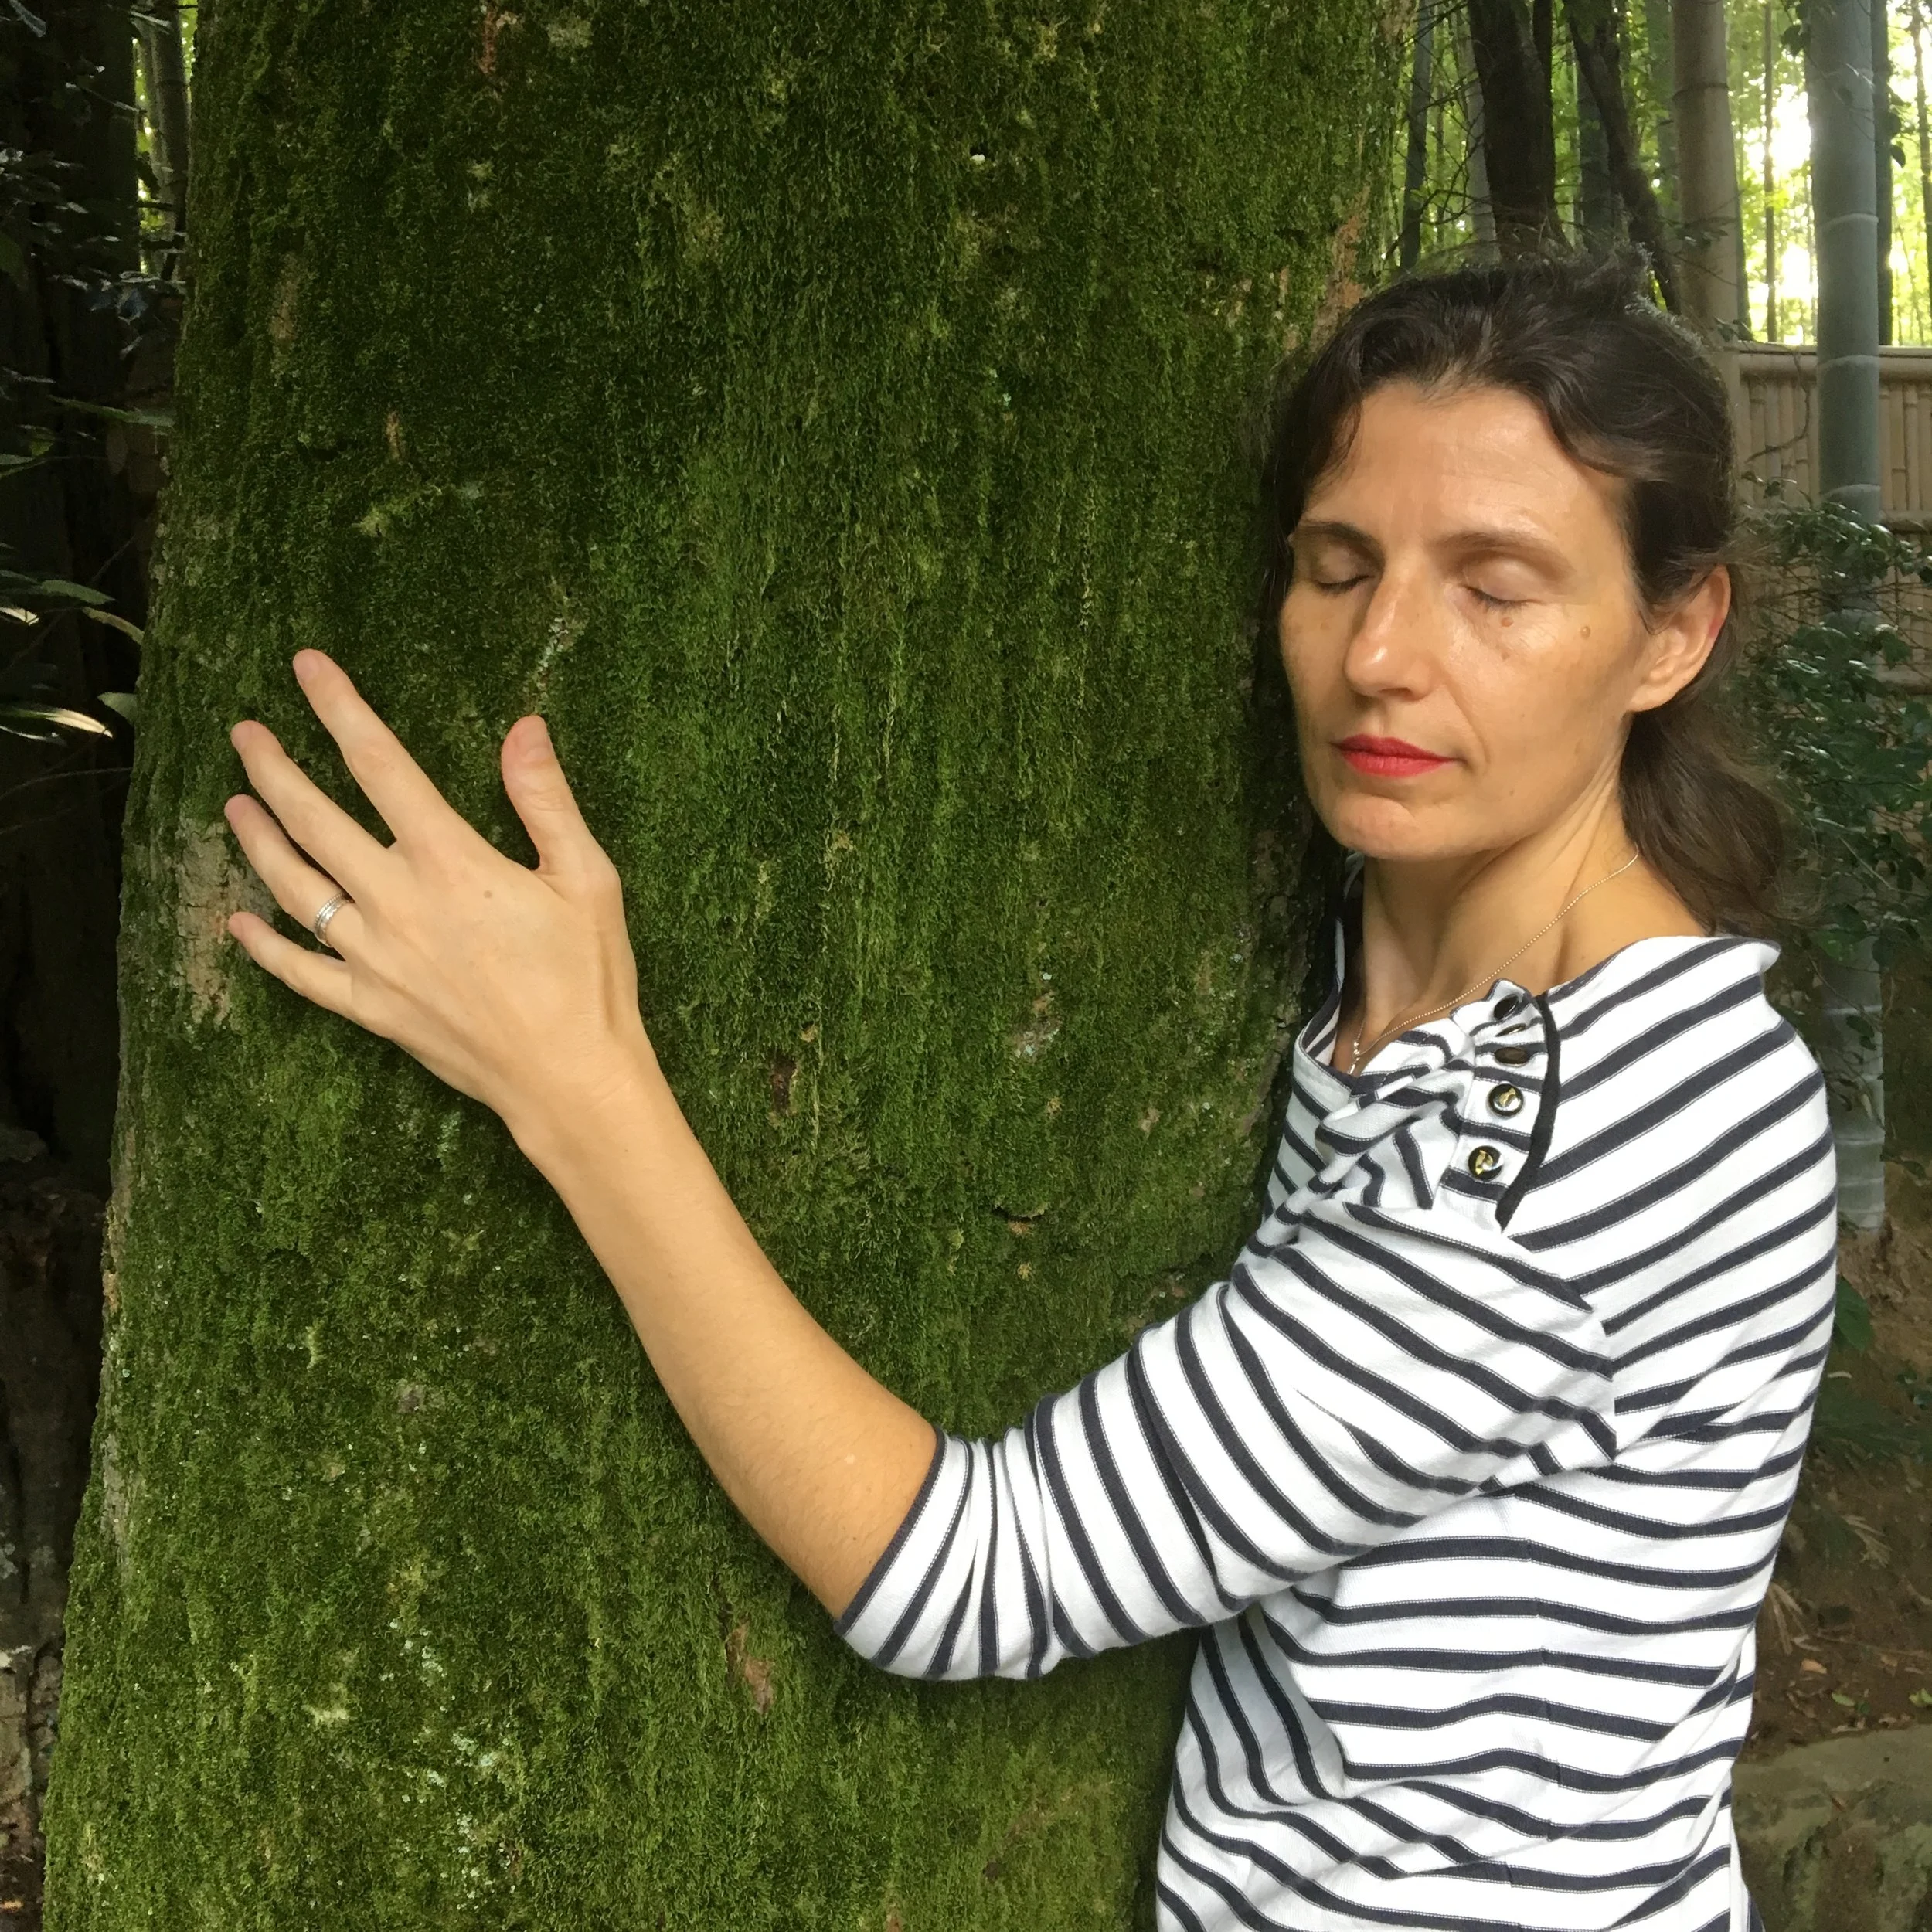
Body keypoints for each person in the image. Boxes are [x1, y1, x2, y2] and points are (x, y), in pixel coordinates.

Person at [222, 255, 1835, 1932]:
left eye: (1494, 589)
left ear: (1669, 631)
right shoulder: (1378, 951)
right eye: (1337, 565)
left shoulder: (1608, 1130)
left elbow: (968, 1576)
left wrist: (569, 1070)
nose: (1377, 656)